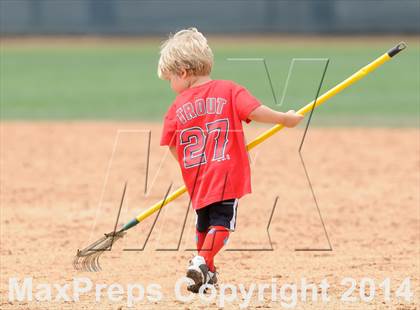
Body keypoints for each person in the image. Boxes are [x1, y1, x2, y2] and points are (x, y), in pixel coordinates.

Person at [158, 28, 303, 293]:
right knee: (221, 224)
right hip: (226, 172)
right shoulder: (228, 90)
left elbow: (170, 142)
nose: (171, 86)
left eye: (169, 79)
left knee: (204, 222)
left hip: (199, 178)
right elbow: (255, 111)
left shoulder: (176, 107)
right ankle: (203, 262)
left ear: (183, 73)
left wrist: (189, 167)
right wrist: (284, 118)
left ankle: (206, 272)